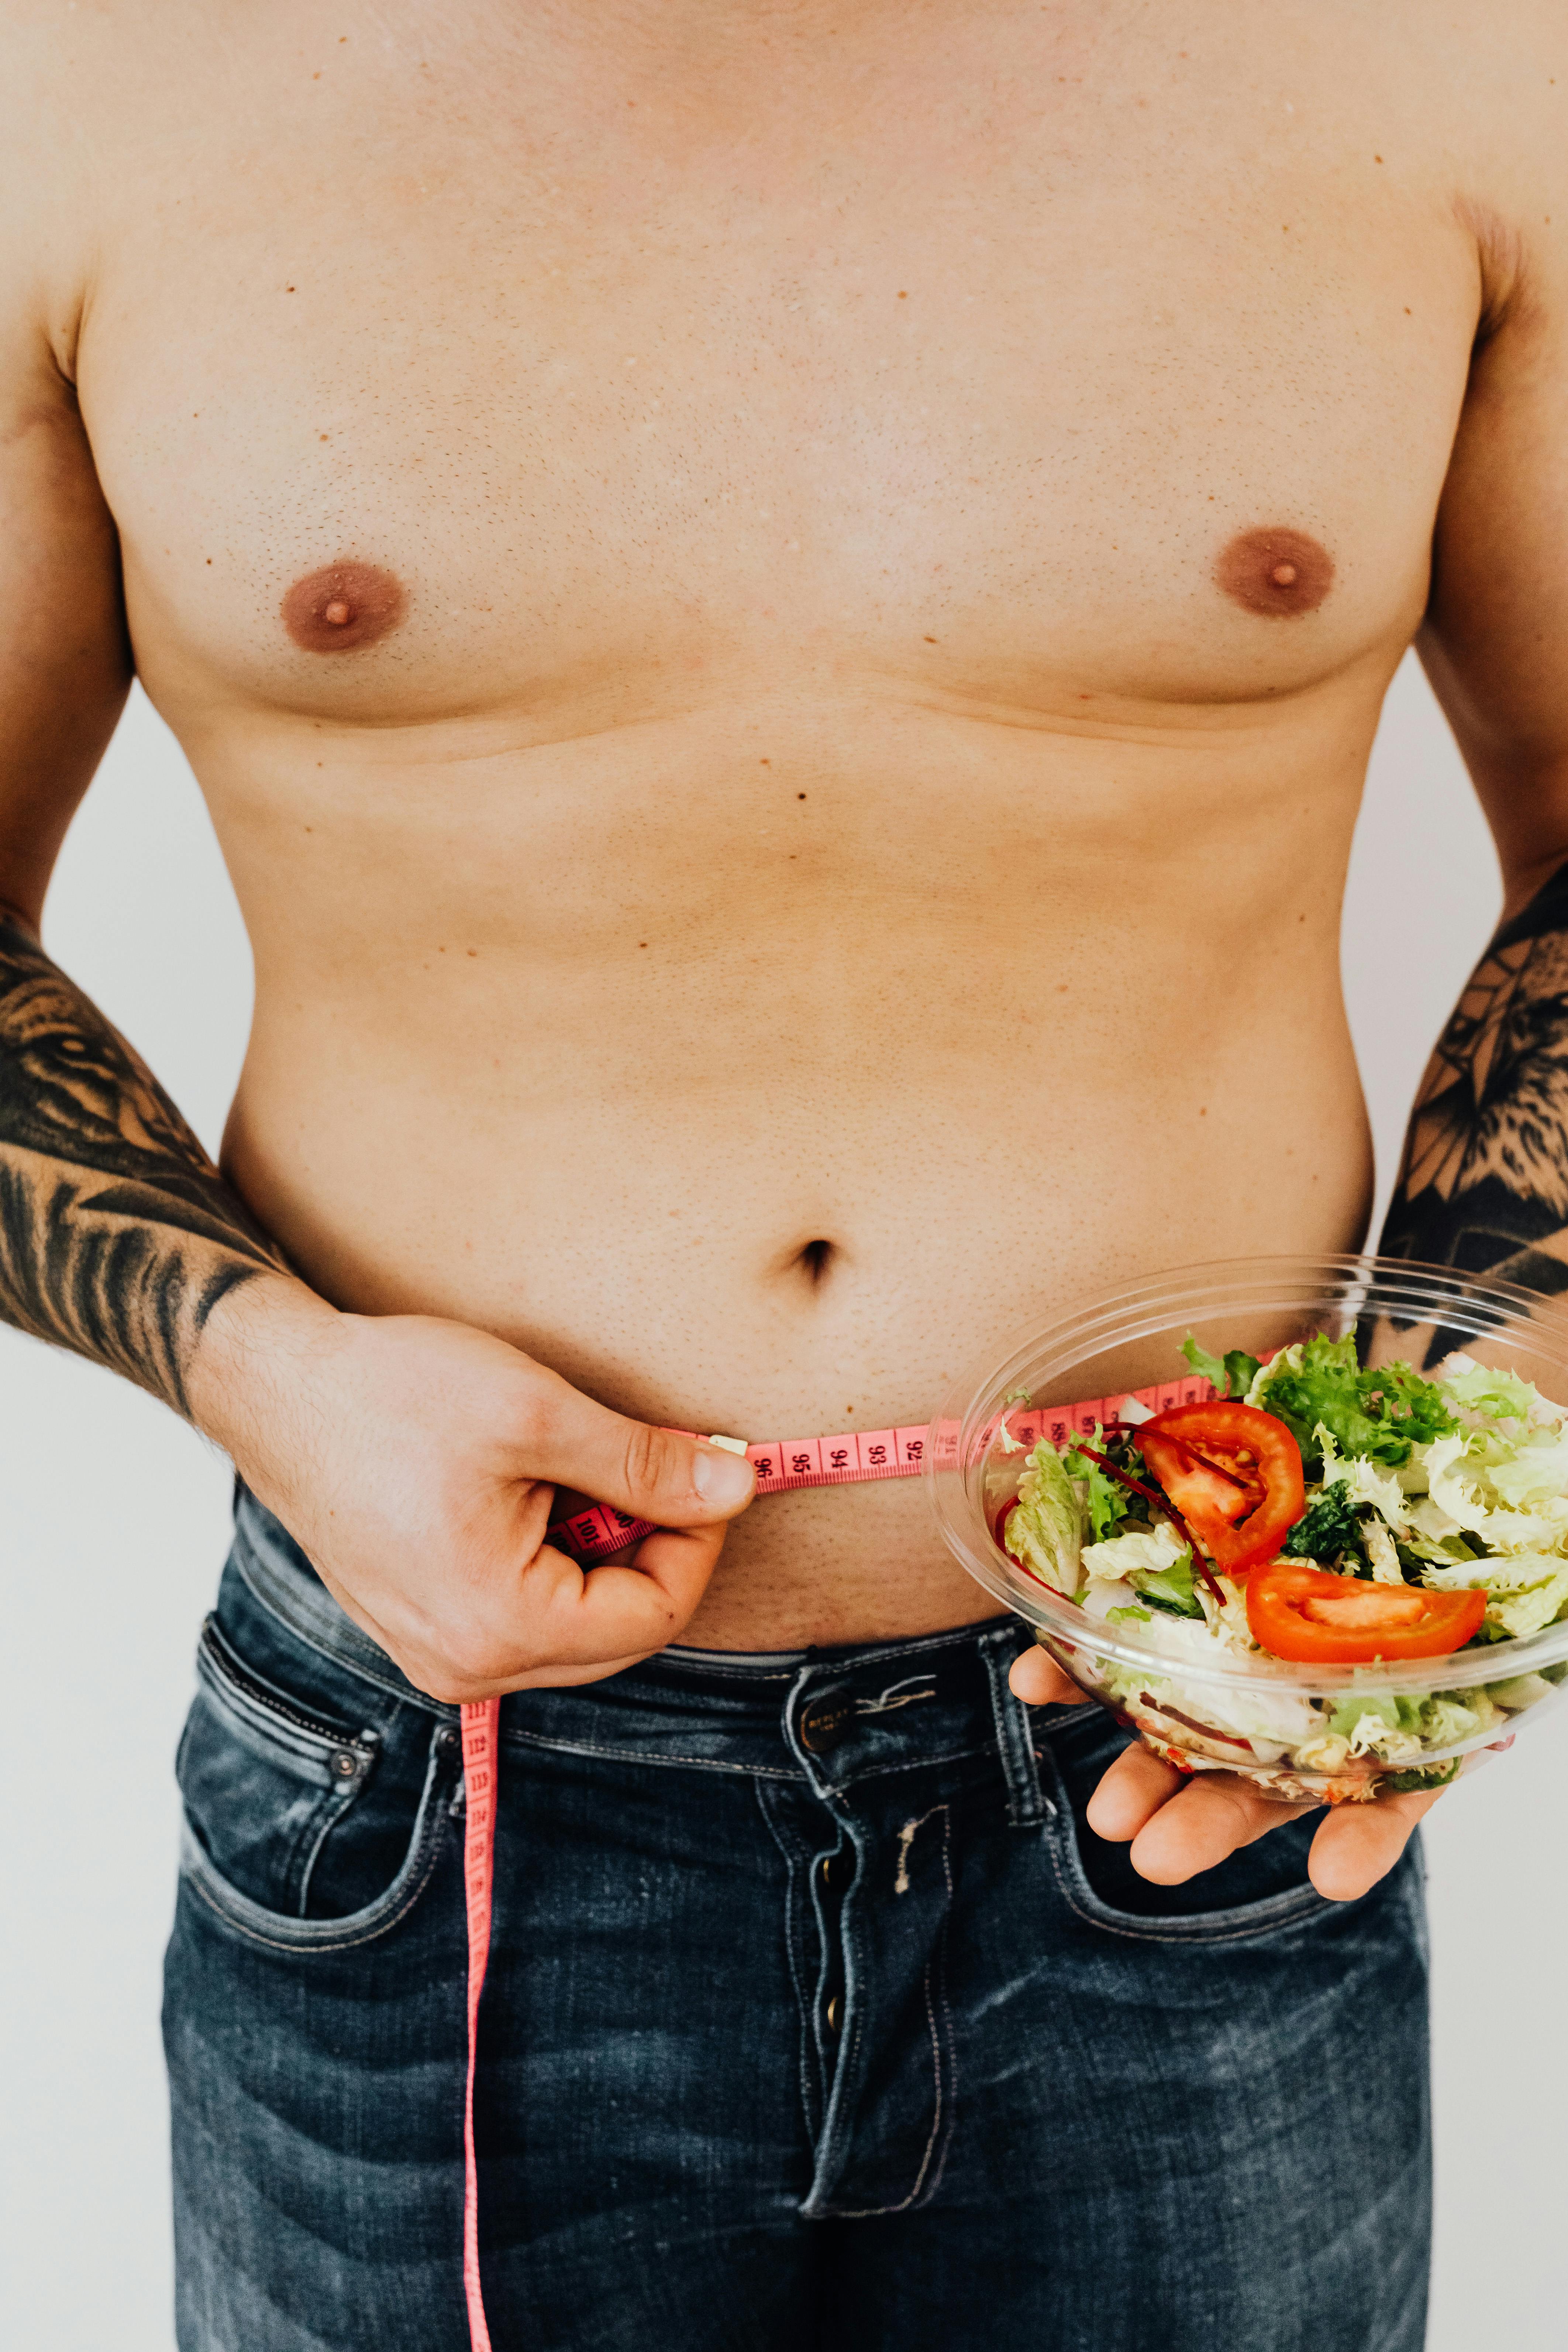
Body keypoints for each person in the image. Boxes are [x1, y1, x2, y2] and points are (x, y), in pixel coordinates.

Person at [3, 5, 1566, 2346]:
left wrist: (1446, 1449)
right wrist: (264, 1375)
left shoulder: (1457, 61)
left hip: (1184, 1741)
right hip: (439, 1782)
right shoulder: (80, 83)